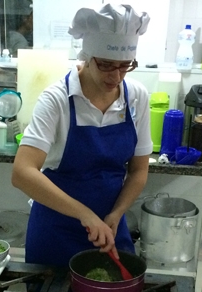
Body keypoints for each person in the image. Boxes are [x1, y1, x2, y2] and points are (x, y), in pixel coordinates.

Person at [11, 4, 151, 268]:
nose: (116, 76)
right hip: (55, 231)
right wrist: (85, 214)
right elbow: (22, 172)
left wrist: (116, 213)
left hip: (109, 227)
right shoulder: (57, 99)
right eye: (107, 65)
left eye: (125, 66)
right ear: (87, 56)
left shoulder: (136, 97)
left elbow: (138, 171)